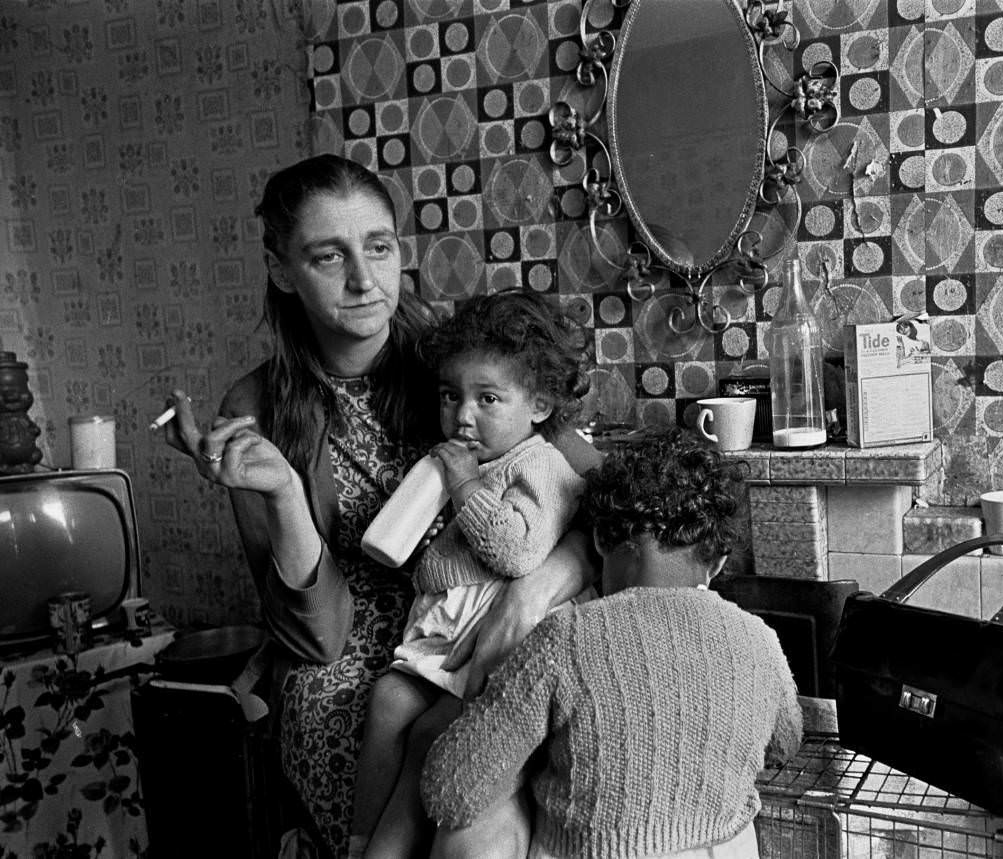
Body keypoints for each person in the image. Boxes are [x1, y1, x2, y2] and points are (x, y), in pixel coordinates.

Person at [160, 153, 598, 859]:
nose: (364, 281)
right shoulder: (254, 411)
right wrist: (281, 494)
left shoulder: (462, 364)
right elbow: (316, 637)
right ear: (281, 270)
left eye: (380, 248)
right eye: (329, 256)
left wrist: (539, 585)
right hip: (358, 648)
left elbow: (599, 497)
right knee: (331, 709)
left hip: (494, 606)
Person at [421, 428, 803, 859]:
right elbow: (785, 743)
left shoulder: (561, 639)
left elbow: (449, 790)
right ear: (717, 562)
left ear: (602, 540)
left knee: (472, 821)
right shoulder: (758, 639)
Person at [350, 291, 591, 859]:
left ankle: (391, 845)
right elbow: (440, 550)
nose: (463, 416)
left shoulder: (542, 466)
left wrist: (463, 487)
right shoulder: (469, 461)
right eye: (450, 396)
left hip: (487, 641)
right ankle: (359, 838)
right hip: (441, 637)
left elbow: (515, 549)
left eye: (487, 398)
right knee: (386, 701)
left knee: (430, 734)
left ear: (539, 404)